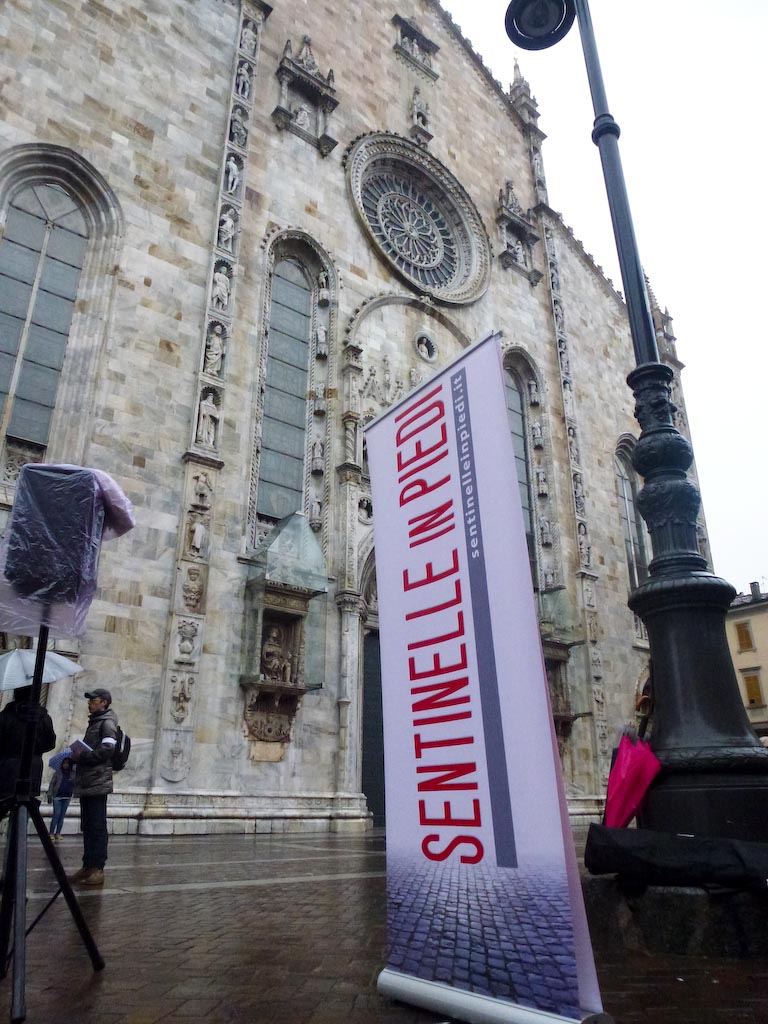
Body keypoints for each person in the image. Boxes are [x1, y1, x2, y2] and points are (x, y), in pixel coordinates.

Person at [69, 689, 119, 887]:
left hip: (98, 781)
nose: (90, 704)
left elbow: (107, 749)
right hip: (88, 781)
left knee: (97, 825)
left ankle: (98, 869)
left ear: (104, 703)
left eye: (94, 701)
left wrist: (81, 756)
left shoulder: (107, 723)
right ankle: (88, 866)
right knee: (88, 824)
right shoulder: (96, 722)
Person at [0, 684, 56, 810]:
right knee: (24, 809)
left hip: (7, 767)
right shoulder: (44, 718)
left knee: (3, 805)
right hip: (33, 769)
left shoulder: (6, 716)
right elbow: (50, 743)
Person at [47, 756, 75, 840]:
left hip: (67, 796)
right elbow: (52, 784)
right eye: (64, 763)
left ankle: (58, 833)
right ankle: (51, 833)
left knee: (62, 816)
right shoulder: (58, 772)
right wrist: (49, 794)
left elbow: (76, 783)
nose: (65, 765)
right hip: (57, 796)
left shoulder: (73, 773)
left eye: (67, 763)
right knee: (56, 815)